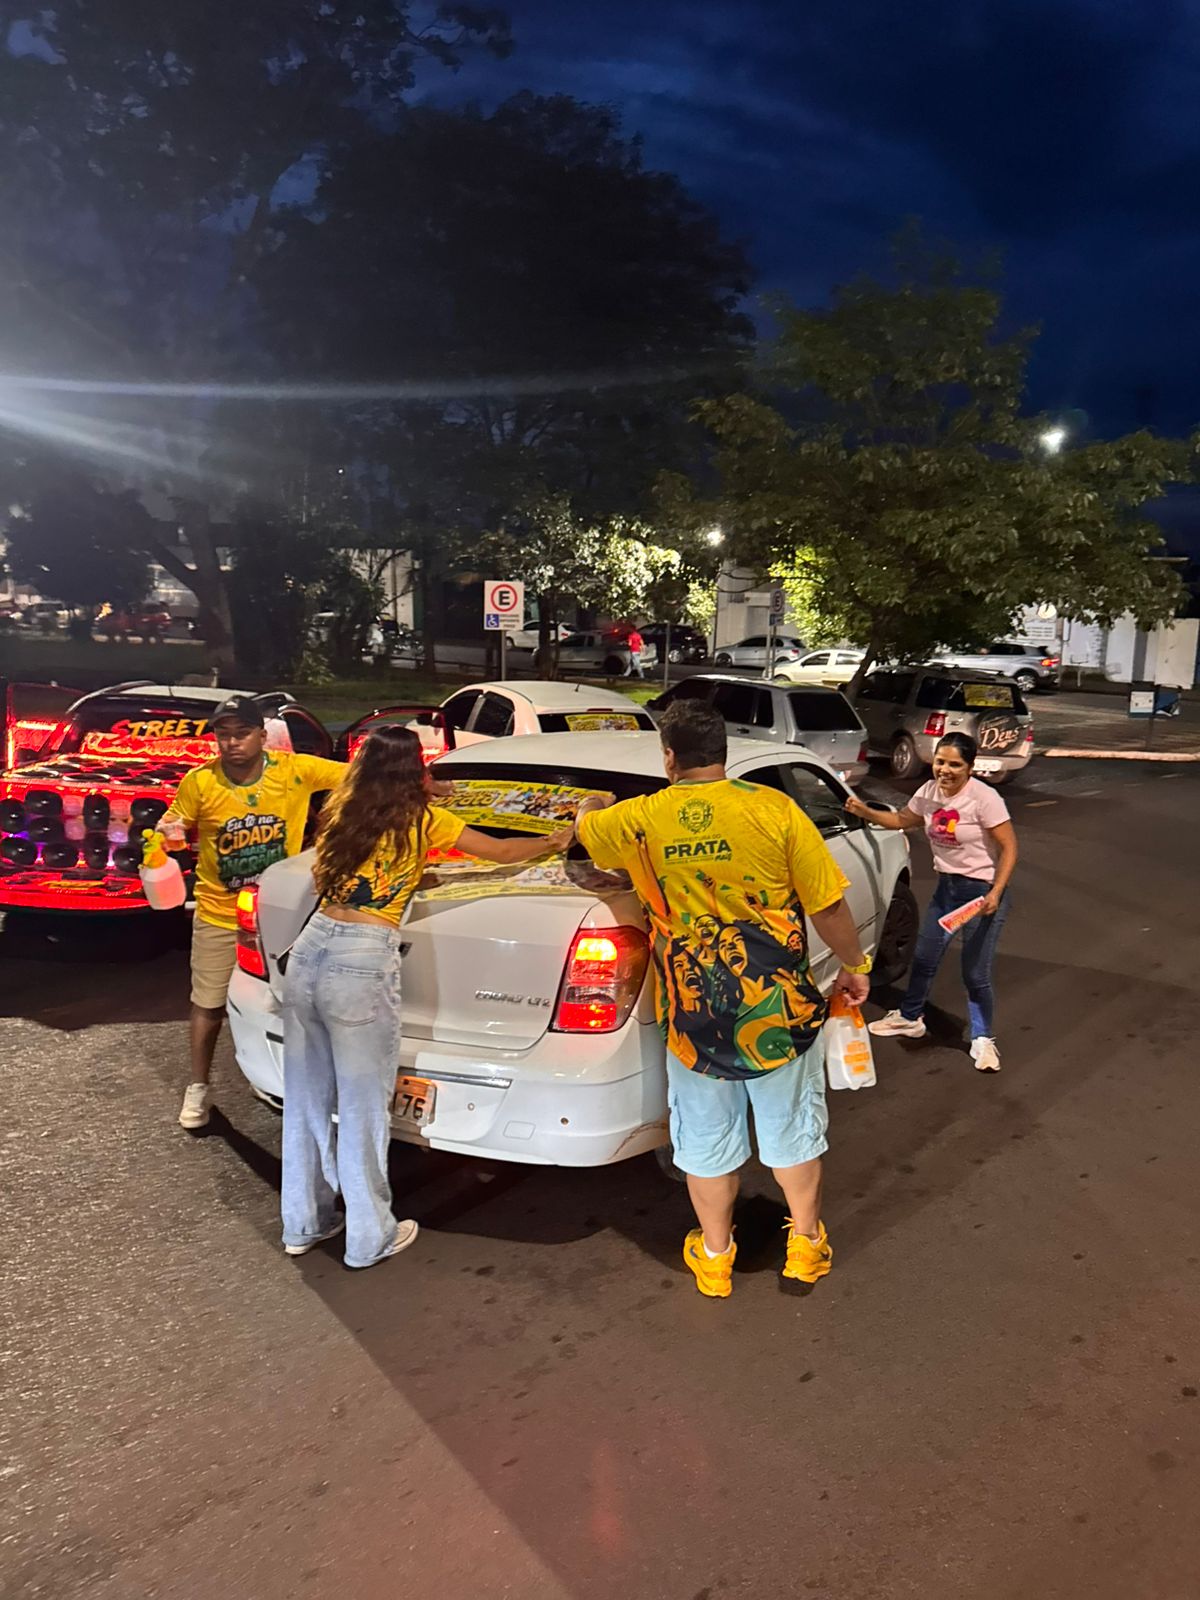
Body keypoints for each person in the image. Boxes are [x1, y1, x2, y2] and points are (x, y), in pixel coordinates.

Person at [573, 699, 872, 1299]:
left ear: (669, 758)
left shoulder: (637, 819)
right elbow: (828, 906)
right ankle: (805, 1248)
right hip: (779, 1010)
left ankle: (714, 1258)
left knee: (706, 1139)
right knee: (792, 1131)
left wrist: (593, 805)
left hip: (694, 1018)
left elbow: (586, 834)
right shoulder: (774, 809)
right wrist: (854, 965)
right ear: (724, 753)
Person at [280, 726, 573, 1268]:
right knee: (363, 1108)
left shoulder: (343, 810)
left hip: (311, 949)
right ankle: (369, 1238)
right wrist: (554, 841)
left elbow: (350, 875)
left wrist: (414, 863)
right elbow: (500, 851)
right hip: (361, 960)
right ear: (415, 770)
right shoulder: (421, 820)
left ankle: (304, 1222)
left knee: (306, 1098)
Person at [163, 695, 350, 1130]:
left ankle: (277, 1076)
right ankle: (198, 1088)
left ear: (262, 736)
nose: (232, 743)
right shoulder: (199, 781)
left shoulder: (295, 770)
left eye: (242, 733)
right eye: (223, 735)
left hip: (281, 917)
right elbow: (175, 821)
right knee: (208, 1004)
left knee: (289, 1004)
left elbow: (359, 775)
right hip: (219, 913)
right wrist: (166, 834)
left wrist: (419, 783)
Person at [845, 731, 1018, 1072]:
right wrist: (863, 810)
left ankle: (983, 1038)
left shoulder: (984, 798)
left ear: (969, 767)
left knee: (975, 972)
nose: (945, 770)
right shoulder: (928, 793)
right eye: (940, 762)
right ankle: (911, 1017)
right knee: (925, 957)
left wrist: (996, 892)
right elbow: (902, 820)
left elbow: (1009, 846)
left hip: (980, 894)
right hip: (947, 890)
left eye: (955, 765)